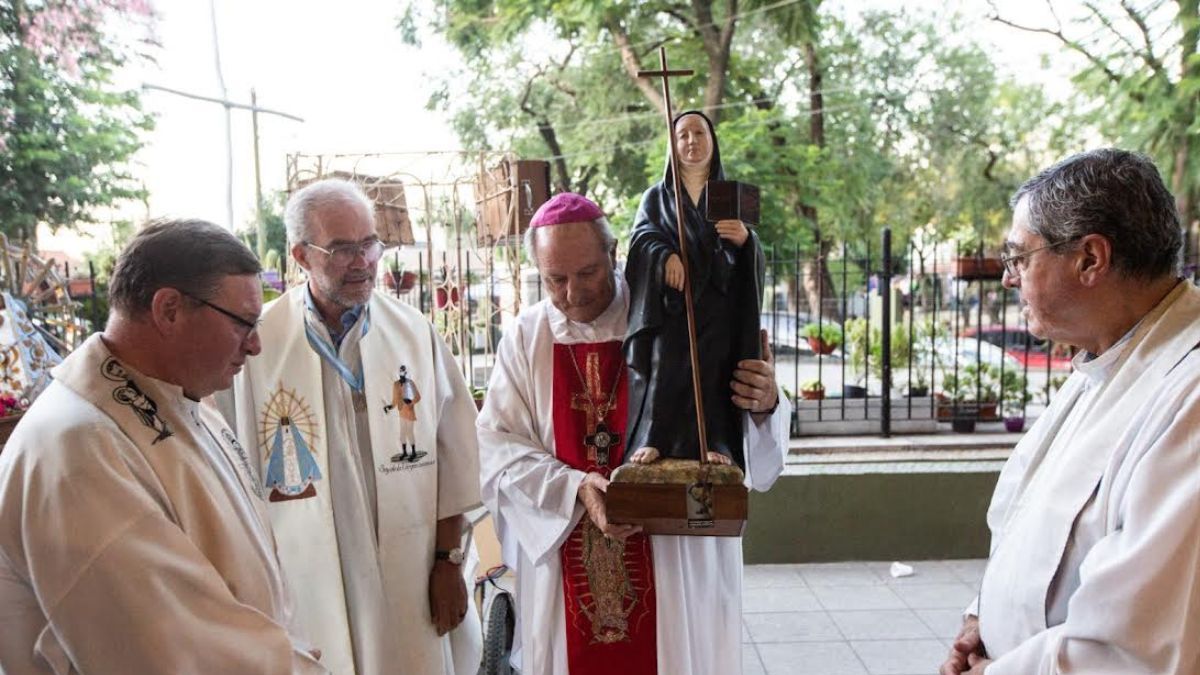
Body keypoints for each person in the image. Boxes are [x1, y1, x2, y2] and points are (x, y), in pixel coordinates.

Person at [478, 193, 789, 674]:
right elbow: (497, 449)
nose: (572, 293)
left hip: (675, 561)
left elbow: (734, 431)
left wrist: (765, 402)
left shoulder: (676, 315)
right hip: (570, 565)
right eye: (554, 279)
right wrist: (574, 487)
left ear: (615, 252)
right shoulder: (525, 337)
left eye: (587, 273)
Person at [0, 219, 327, 674]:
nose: (254, 346)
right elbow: (166, 646)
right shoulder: (75, 448)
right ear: (169, 309)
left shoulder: (182, 400)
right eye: (244, 324)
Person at [940, 149, 1200, 675]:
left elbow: (1138, 645)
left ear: (1089, 259)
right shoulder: (1102, 363)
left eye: (1019, 258)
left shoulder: (1188, 396)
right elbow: (1029, 526)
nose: (1008, 279)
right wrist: (980, 619)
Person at [221, 179, 482, 675]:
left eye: (369, 243)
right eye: (342, 248)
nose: (363, 261)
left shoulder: (413, 332)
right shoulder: (258, 347)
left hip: (412, 568)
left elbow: (456, 454)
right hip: (305, 576)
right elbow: (229, 470)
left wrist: (449, 561)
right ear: (301, 254)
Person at [624, 110, 766, 466]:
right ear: (672, 145)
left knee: (715, 370)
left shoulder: (733, 195)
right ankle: (655, 435)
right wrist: (663, 257)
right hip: (674, 305)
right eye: (683, 135)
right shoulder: (655, 198)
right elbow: (641, 239)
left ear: (713, 141)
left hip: (718, 304)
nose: (691, 141)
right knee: (665, 364)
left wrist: (746, 240)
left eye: (699, 133)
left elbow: (754, 251)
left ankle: (716, 439)